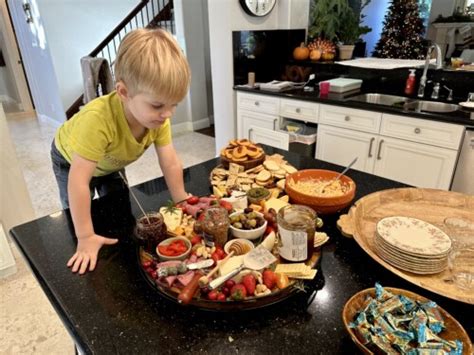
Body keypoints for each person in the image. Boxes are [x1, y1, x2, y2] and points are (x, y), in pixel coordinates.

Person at [51, 28, 191, 275]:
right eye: (158, 105)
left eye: (174, 104)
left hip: (111, 161)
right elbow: (78, 182)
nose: (168, 113)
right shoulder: (97, 121)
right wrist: (84, 236)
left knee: (119, 213)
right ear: (124, 93)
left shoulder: (159, 118)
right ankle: (83, 239)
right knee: (78, 211)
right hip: (70, 160)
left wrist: (181, 199)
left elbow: (169, 162)